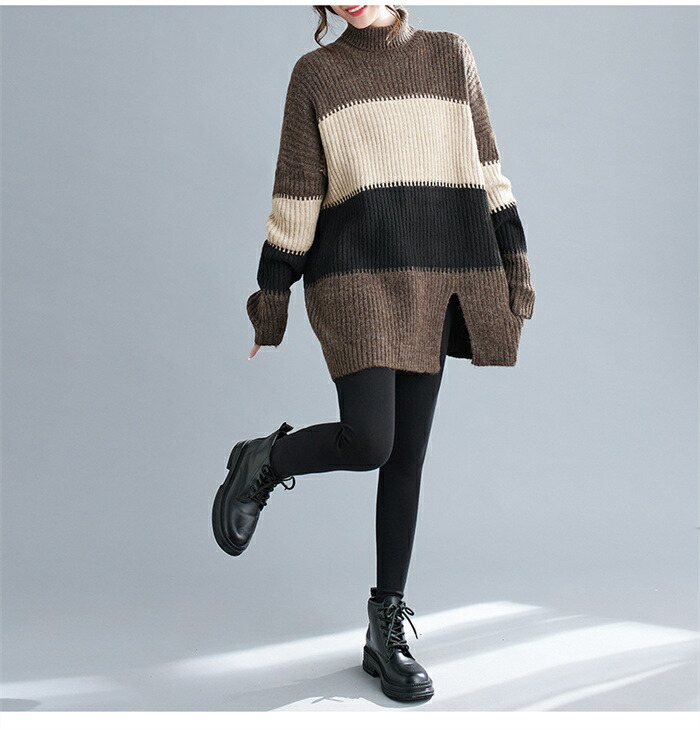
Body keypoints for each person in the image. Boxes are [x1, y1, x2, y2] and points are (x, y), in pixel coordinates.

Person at [212, 4, 536, 703]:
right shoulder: (316, 74)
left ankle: (385, 625)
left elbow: (487, 169)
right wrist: (272, 296)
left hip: (436, 273)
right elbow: (297, 195)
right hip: (354, 276)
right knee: (370, 441)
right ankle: (265, 460)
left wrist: (515, 263)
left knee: (406, 456)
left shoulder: (450, 54)